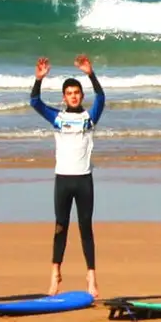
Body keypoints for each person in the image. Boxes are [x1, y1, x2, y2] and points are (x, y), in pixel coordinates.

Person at [30, 54, 105, 297]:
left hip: (84, 180)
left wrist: (90, 74)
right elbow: (34, 101)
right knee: (60, 227)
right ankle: (55, 274)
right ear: (64, 97)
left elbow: (101, 97)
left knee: (85, 228)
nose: (73, 96)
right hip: (63, 179)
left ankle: (91, 276)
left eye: (76, 93)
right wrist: (39, 79)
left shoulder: (89, 118)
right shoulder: (58, 118)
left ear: (81, 96)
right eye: (69, 93)